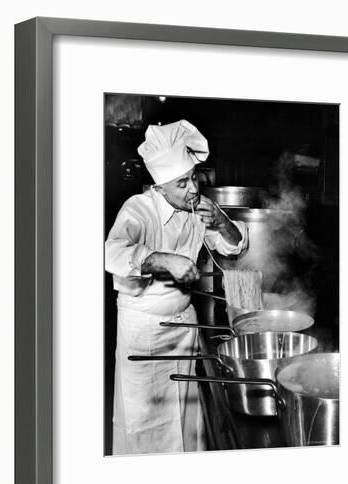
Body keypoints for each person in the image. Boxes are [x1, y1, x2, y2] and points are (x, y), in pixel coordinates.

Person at [105, 119, 248, 455]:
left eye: (194, 178)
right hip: (145, 333)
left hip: (183, 328)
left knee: (186, 420)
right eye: (182, 183)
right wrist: (163, 260)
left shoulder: (197, 206)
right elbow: (110, 251)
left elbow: (234, 246)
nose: (193, 189)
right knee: (144, 424)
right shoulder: (139, 209)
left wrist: (222, 222)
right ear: (160, 187)